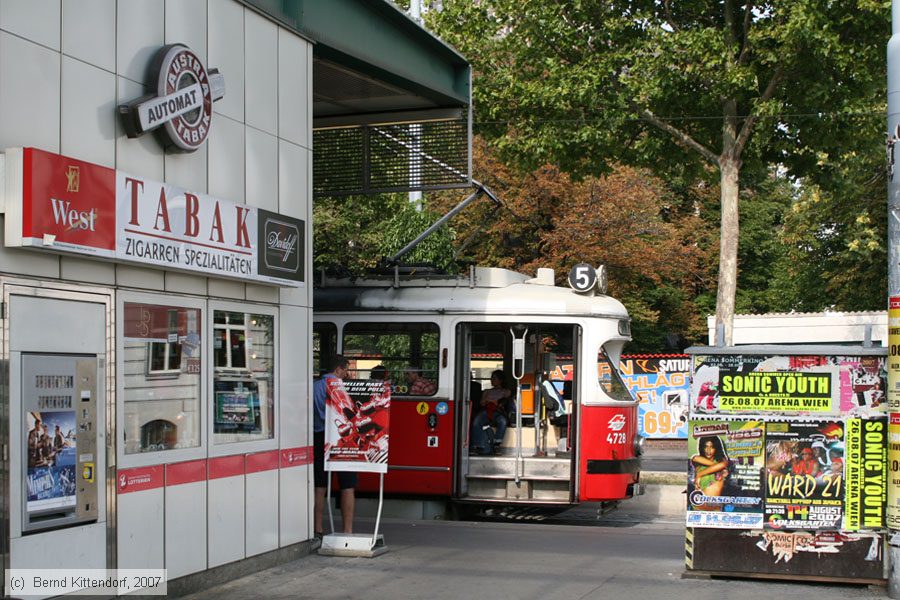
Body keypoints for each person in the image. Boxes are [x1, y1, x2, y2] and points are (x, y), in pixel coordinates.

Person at [313, 355, 357, 538]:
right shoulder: (342, 389)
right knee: (347, 484)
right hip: (341, 439)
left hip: (318, 437)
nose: (346, 375)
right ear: (338, 369)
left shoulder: (314, 386)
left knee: (319, 484)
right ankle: (347, 531)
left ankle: (317, 528)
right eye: (345, 371)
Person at [470, 370, 510, 455]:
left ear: (500, 380)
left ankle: (496, 444)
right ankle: (478, 446)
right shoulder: (487, 391)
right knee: (476, 421)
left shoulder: (505, 391)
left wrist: (498, 401)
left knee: (503, 421)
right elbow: (482, 402)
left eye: (494, 378)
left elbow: (506, 398)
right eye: (491, 378)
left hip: (498, 412)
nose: (491, 380)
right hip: (486, 411)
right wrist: (489, 402)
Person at [691, 436, 729, 501]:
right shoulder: (698, 461)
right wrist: (718, 467)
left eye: (712, 447)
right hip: (699, 503)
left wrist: (700, 474)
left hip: (715, 504)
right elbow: (695, 458)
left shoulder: (721, 461)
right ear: (702, 447)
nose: (708, 450)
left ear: (716, 448)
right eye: (706, 447)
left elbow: (723, 464)